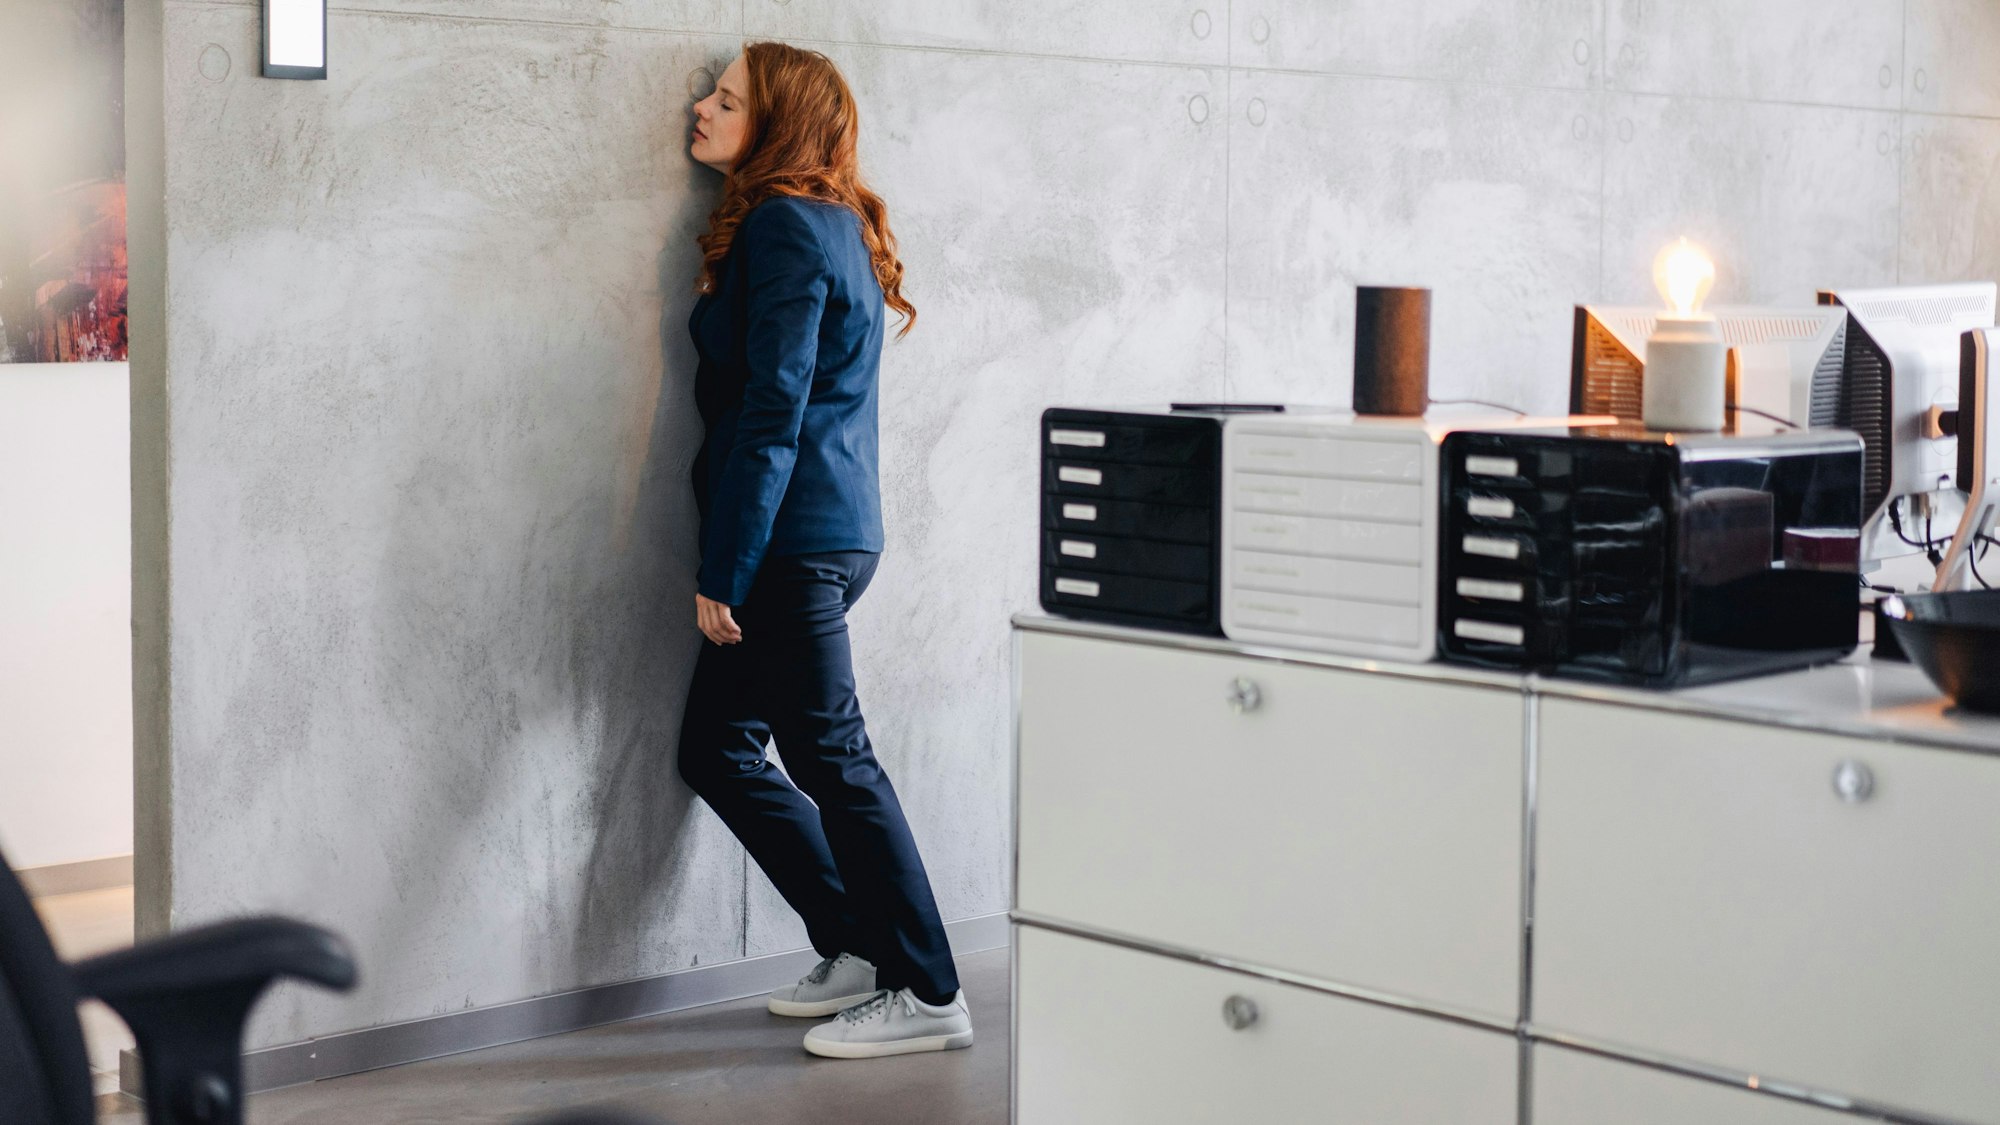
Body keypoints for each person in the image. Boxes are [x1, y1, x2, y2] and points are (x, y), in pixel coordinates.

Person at [676, 42, 970, 1061]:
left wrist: (726, 569)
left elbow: (775, 409)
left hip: (790, 541)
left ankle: (928, 990)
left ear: (777, 124)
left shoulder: (789, 226)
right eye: (707, 94)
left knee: (833, 759)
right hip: (819, 532)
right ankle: (852, 944)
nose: (699, 109)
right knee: (713, 747)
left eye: (725, 100)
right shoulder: (822, 221)